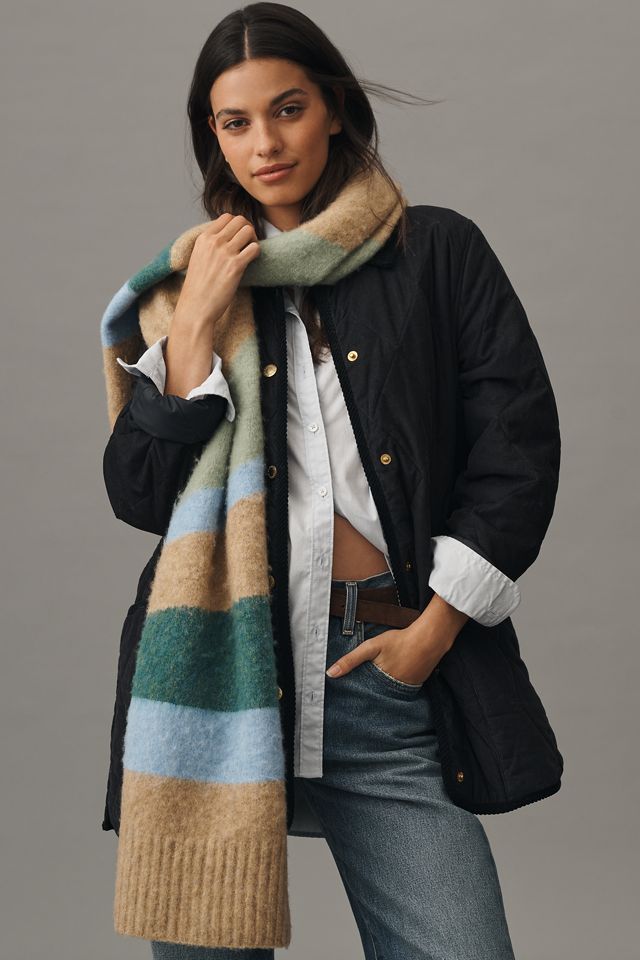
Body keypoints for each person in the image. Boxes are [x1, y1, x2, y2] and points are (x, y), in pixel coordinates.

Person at [100, 3, 562, 958]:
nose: (265, 144)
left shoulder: (436, 252)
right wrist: (194, 328)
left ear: (336, 109)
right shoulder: (186, 290)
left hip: (381, 670)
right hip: (219, 677)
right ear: (214, 139)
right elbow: (140, 495)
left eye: (289, 109)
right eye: (236, 123)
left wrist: (433, 632)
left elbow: (516, 453)